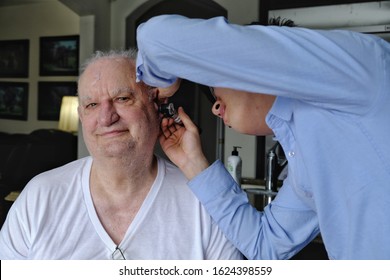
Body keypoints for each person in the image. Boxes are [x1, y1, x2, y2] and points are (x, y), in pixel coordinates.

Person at [135, 14, 390, 260]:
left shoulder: (359, 72)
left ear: (248, 65)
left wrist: (162, 79)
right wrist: (193, 163)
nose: (215, 107)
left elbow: (155, 38)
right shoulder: (302, 157)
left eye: (214, 86)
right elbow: (264, 245)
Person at [0, 49, 243, 260]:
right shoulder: (39, 196)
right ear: (81, 116)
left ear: (156, 108)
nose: (106, 118)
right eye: (92, 105)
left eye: (122, 98)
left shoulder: (204, 203)